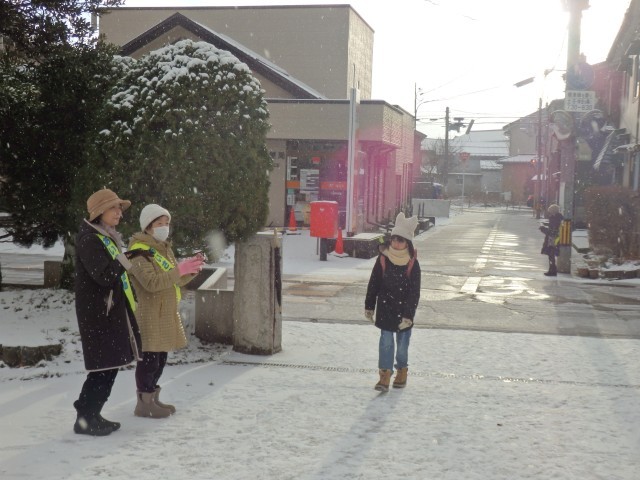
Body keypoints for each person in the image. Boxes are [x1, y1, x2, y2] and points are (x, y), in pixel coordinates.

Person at [73, 188, 151, 436]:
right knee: (103, 367)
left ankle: (90, 413)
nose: (119, 213)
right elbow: (105, 276)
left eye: (120, 208)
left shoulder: (104, 237)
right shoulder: (90, 239)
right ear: (99, 212)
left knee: (109, 365)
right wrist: (127, 257)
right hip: (98, 315)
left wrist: (127, 256)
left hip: (108, 312)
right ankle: (86, 418)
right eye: (114, 208)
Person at [128, 204, 205, 418]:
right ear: (148, 226)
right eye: (159, 223)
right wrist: (179, 270)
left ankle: (152, 398)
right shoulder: (138, 252)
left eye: (167, 223)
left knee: (160, 359)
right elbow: (151, 283)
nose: (164, 227)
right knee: (149, 360)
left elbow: (174, 280)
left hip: (165, 313)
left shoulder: (164, 248)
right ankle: (143, 403)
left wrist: (192, 269)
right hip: (150, 314)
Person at [365, 212, 421, 392]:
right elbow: (374, 283)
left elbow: (414, 292)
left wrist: (408, 315)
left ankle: (402, 371)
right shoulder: (383, 258)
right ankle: (384, 376)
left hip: (404, 312)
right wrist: (369, 306)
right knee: (386, 343)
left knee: (402, 346)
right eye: (394, 238)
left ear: (408, 243)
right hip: (386, 308)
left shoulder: (412, 263)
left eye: (401, 240)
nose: (396, 243)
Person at [540, 203, 564, 277]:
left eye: (550, 211)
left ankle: (552, 270)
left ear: (553, 211)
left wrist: (544, 230)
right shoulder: (558, 218)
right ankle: (552, 269)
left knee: (551, 254)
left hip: (553, 239)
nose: (549, 213)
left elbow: (553, 231)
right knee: (551, 254)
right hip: (554, 238)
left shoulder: (555, 219)